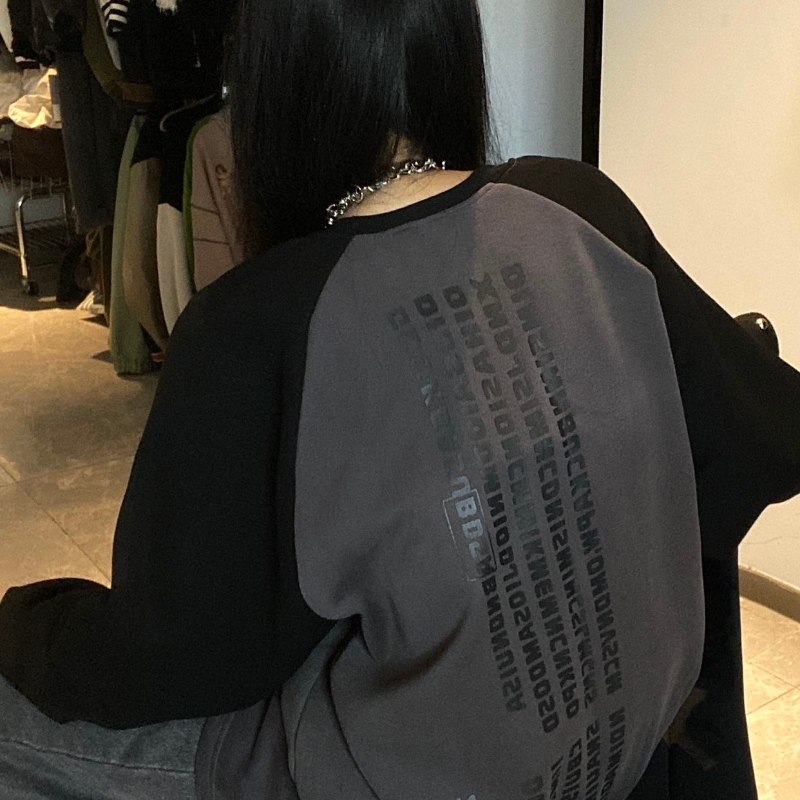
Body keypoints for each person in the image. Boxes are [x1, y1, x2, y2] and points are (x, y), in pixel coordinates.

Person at [1, 0, 799, 798]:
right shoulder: (580, 205)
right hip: (629, 752)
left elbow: (172, 659)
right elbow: (767, 435)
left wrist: (30, 626)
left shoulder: (254, 324)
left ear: (270, 78)